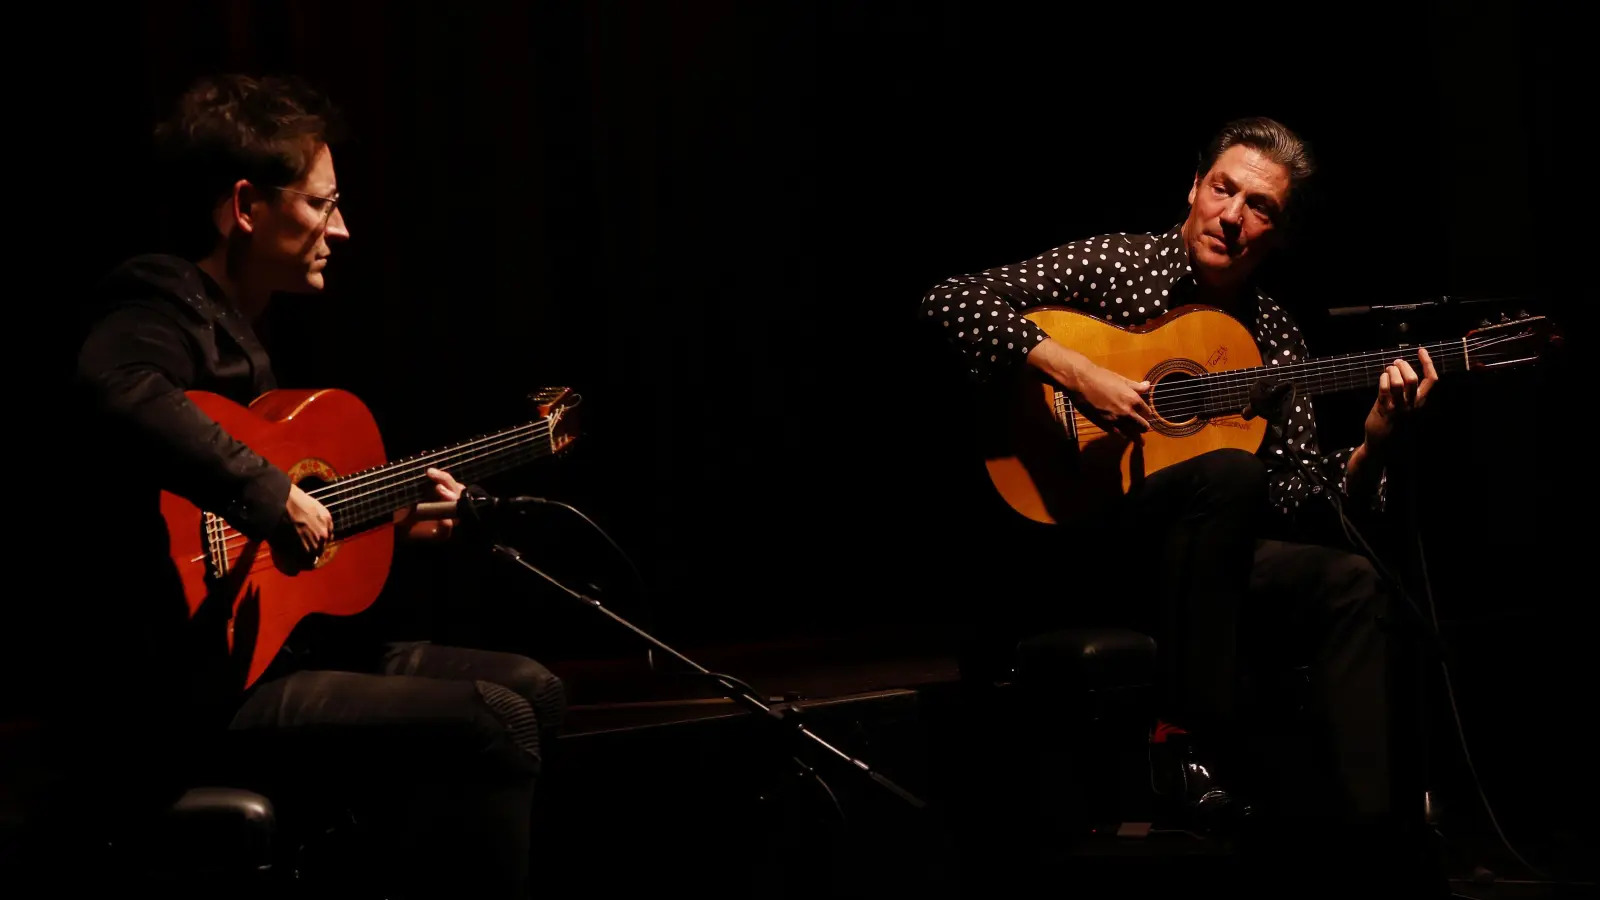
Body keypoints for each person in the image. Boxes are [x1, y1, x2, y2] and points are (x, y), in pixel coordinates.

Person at [52, 74, 564, 898]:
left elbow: (274, 552)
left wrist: (388, 522)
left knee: (532, 689)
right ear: (247, 206)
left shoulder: (240, 339)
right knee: (491, 719)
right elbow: (116, 387)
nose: (342, 228)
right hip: (189, 695)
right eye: (323, 204)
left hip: (274, 660)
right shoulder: (157, 298)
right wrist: (269, 492)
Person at [919, 117, 1444, 894]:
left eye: (1259, 207)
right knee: (1228, 472)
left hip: (1202, 558)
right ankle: (1186, 742)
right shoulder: (1118, 263)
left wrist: (1373, 448)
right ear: (1194, 189)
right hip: (1086, 538)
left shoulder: (1275, 336)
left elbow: (1301, 497)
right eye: (1223, 190)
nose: (1232, 216)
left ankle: (1368, 847)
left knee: (1352, 583)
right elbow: (951, 300)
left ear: (1280, 233)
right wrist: (1080, 373)